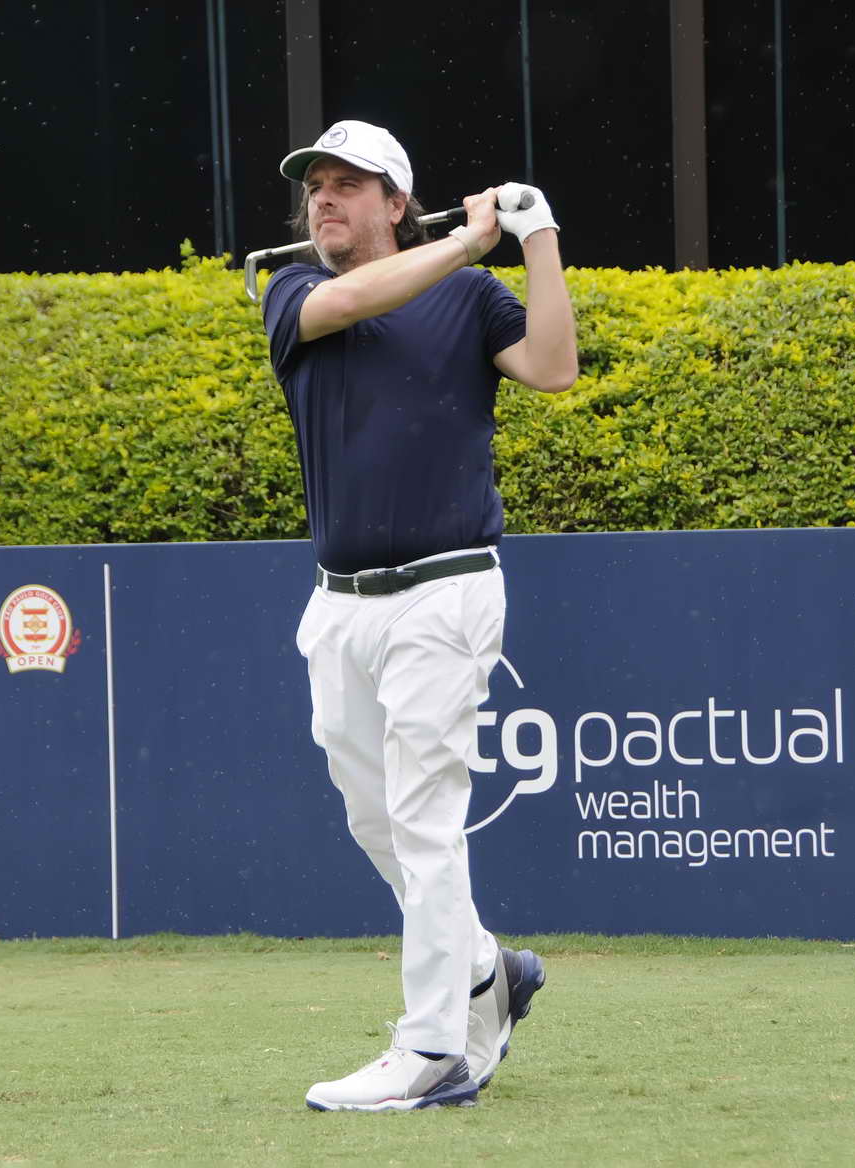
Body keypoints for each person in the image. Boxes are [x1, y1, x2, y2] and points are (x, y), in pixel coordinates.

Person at [261, 119, 578, 1112]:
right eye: (316, 184)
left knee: (426, 818)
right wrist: (468, 241)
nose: (323, 198)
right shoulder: (291, 291)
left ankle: (436, 1048)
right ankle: (488, 967)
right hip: (339, 604)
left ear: (396, 203)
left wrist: (536, 237)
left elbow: (553, 366)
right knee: (376, 821)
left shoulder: (470, 296)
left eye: (348, 184)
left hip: (447, 590)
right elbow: (356, 299)